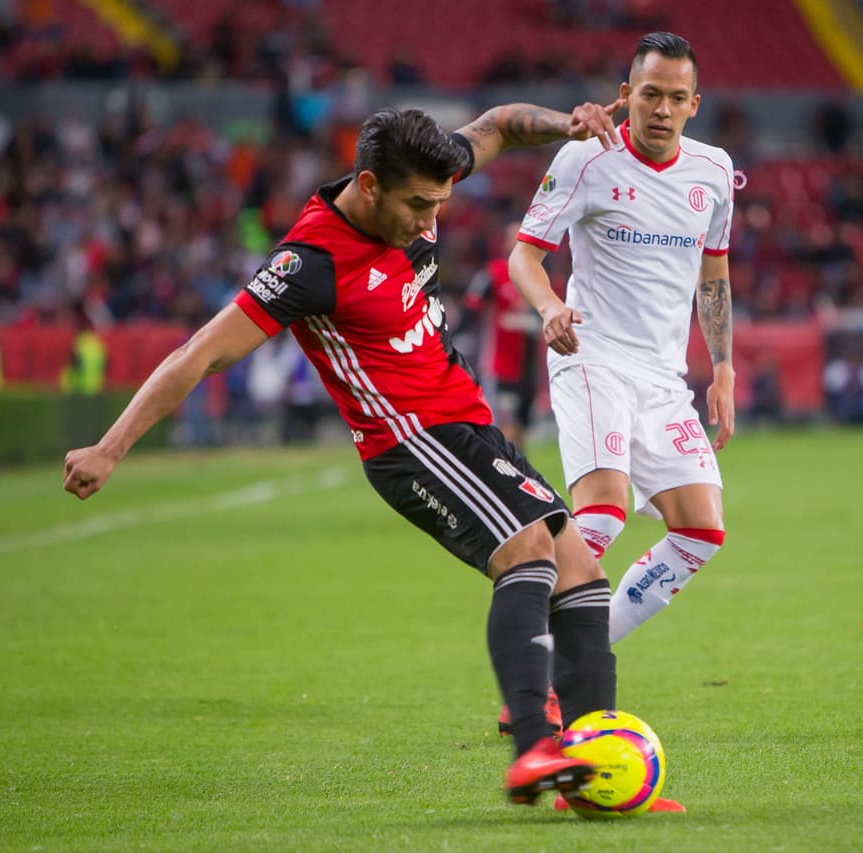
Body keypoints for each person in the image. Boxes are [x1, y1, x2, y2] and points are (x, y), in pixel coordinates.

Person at [62, 101, 660, 809]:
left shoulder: (424, 172)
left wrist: (566, 124)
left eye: (440, 203)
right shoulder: (309, 263)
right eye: (417, 206)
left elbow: (497, 126)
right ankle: (534, 745)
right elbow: (201, 353)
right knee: (525, 549)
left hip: (466, 422)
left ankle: (595, 777)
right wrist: (110, 445)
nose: (430, 222)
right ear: (370, 185)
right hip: (409, 442)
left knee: (581, 571)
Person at [509, 32, 735, 650]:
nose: (662, 109)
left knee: (701, 531)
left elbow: (712, 275)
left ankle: (560, 653)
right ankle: (538, 667)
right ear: (626, 95)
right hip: (590, 357)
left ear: (695, 104)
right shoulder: (586, 159)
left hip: (663, 378)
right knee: (602, 514)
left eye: (676, 98)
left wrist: (723, 369)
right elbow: (524, 257)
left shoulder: (713, 173)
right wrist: (552, 305)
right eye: (651, 93)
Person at [455, 223, 543, 446]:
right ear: (505, 242)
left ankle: (519, 474)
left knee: (521, 428)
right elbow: (470, 308)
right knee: (506, 425)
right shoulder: (493, 273)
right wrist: (457, 339)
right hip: (500, 366)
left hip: (527, 368)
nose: (520, 243)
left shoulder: (537, 275)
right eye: (515, 238)